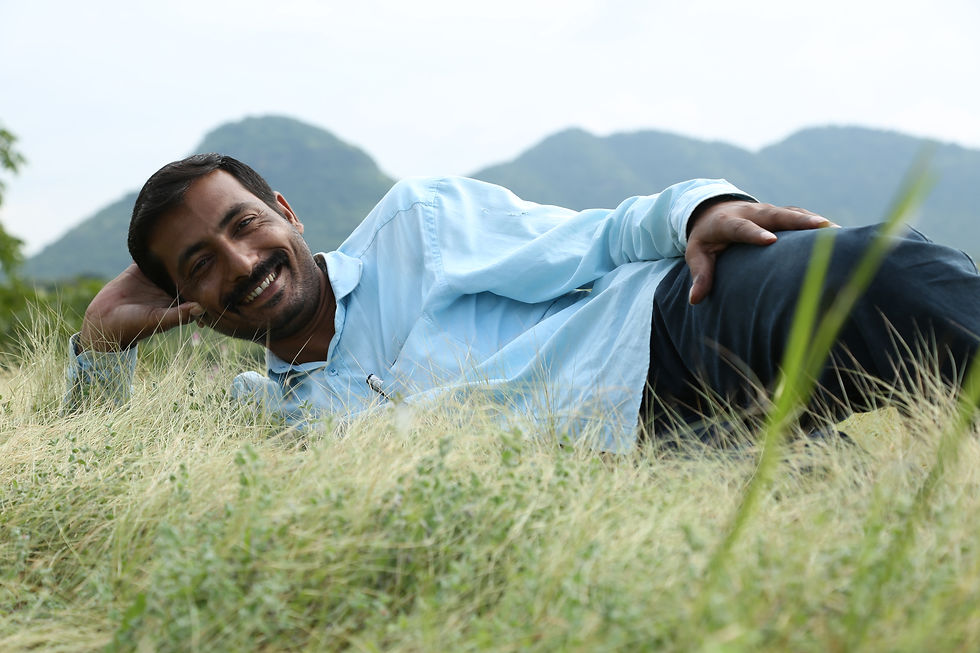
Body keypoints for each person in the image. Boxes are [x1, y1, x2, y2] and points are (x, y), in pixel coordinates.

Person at [68, 154, 980, 451]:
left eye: (243, 224)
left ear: (284, 213)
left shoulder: (415, 226)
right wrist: (97, 344)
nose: (241, 260)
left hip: (663, 329)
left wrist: (696, 208)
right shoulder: (262, 417)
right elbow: (93, 459)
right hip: (658, 459)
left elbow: (587, 238)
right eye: (199, 264)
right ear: (185, 299)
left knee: (878, 280)